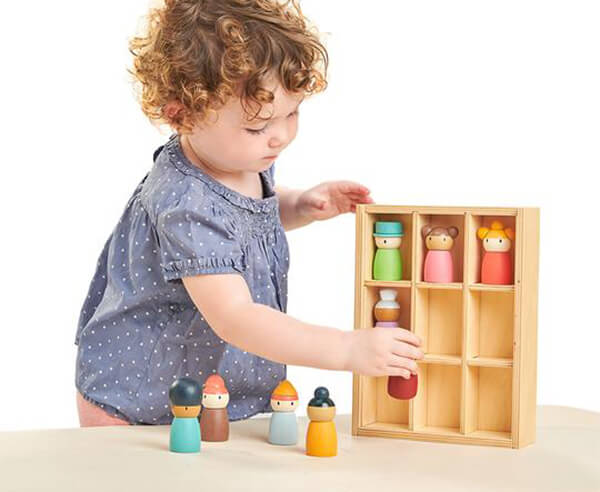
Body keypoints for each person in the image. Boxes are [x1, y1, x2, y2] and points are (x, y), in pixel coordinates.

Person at [75, 0, 423, 427]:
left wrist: (298, 205)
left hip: (212, 389)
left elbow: (239, 223)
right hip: (141, 400)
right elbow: (235, 316)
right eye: (258, 126)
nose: (280, 137)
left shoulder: (238, 157)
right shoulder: (186, 204)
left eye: (292, 113)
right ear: (182, 115)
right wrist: (346, 349)